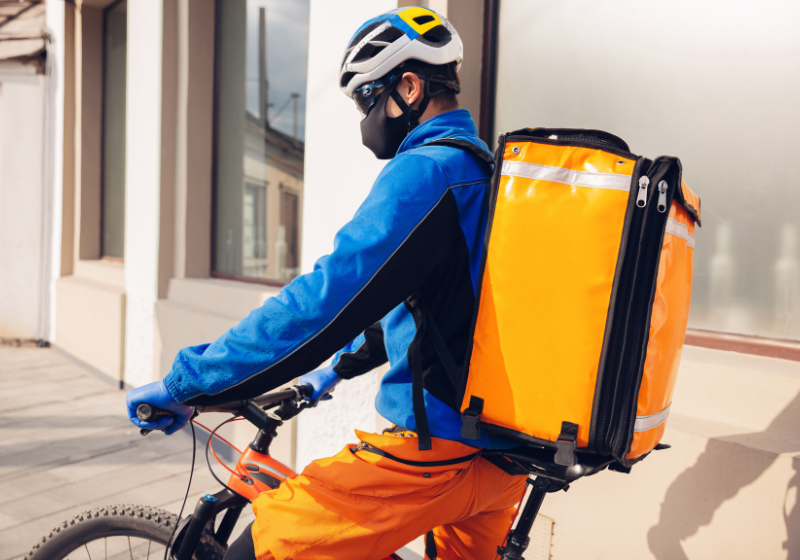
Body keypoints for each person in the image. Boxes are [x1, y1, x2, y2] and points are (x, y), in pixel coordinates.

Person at [126, 7, 527, 560]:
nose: (364, 119)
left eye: (367, 99)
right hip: (499, 461)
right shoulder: (483, 170)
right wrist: (334, 370)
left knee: (257, 552)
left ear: (408, 88)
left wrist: (189, 384)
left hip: (433, 456)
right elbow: (435, 305)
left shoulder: (427, 172)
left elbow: (323, 300)